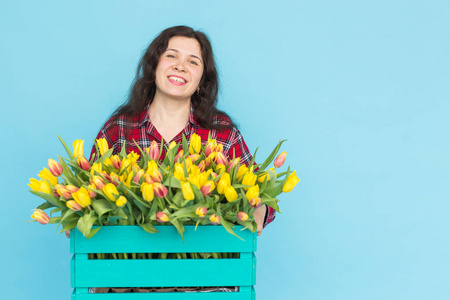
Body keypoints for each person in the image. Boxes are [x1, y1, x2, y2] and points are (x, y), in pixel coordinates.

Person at [65, 26, 275, 238]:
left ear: (202, 81)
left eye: (193, 62)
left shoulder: (221, 133)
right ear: (154, 66)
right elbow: (89, 190)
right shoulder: (119, 128)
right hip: (130, 264)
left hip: (202, 264)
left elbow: (260, 192)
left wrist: (259, 210)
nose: (180, 66)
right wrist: (76, 213)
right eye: (171, 56)